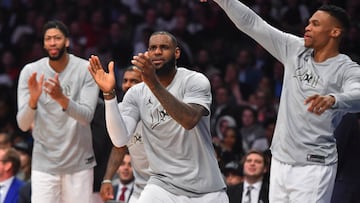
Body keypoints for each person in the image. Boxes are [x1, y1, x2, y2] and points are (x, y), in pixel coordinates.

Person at [209, 0, 360, 202]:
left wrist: (335, 99)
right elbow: (252, 23)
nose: (307, 27)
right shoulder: (294, 49)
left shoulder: (346, 68)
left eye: (315, 24)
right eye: (308, 23)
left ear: (334, 32)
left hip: (314, 165)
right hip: (280, 160)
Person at [88, 31, 228, 202]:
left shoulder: (194, 81)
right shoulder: (136, 94)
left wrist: (153, 83)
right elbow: (120, 140)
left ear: (177, 53)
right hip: (163, 186)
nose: (157, 52)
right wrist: (108, 94)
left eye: (164, 47)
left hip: (207, 189)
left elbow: (189, 120)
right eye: (152, 48)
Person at [16, 20, 99, 203]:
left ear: (67, 42)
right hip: (44, 164)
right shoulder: (30, 71)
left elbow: (86, 117)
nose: (53, 43)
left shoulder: (85, 69)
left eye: (57, 38)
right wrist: (33, 100)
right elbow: (22, 124)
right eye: (48, 39)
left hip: (79, 163)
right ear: (44, 44)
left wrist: (61, 98)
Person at [100, 65, 148, 203]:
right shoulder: (119, 109)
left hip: (166, 182)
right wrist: (108, 178)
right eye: (125, 80)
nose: (128, 85)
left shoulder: (156, 107)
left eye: (134, 81)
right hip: (140, 183)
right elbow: (119, 146)